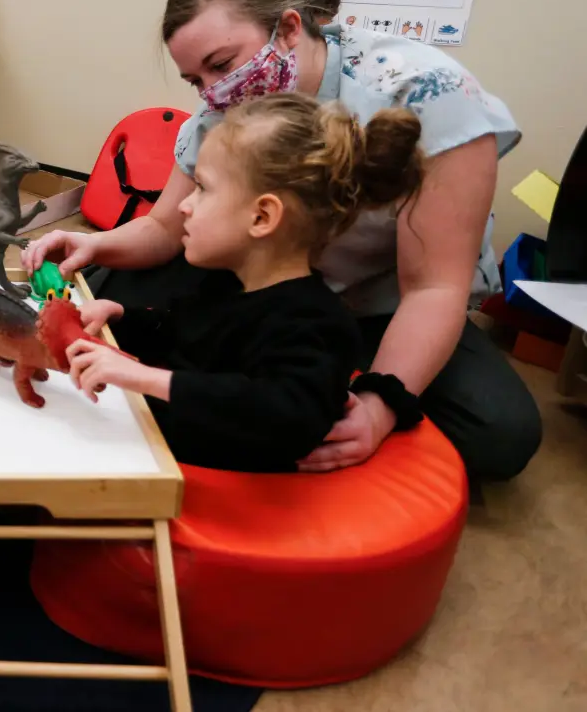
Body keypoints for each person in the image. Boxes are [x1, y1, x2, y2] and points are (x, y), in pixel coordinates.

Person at [24, 0, 540, 482]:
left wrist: (379, 404)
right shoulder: (221, 111)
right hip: (262, 282)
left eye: (222, 64)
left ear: (290, 28)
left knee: (497, 433)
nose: (213, 93)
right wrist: (95, 244)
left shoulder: (427, 97)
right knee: (109, 302)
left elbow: (433, 288)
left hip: (384, 302)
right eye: (195, 80)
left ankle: (320, 367)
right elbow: (163, 228)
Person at [66, 94, 425, 472]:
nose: (185, 205)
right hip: (160, 439)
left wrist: (145, 378)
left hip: (212, 478)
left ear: (262, 216)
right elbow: (180, 333)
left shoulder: (316, 323)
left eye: (202, 189)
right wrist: (121, 317)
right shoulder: (226, 284)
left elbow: (278, 412)